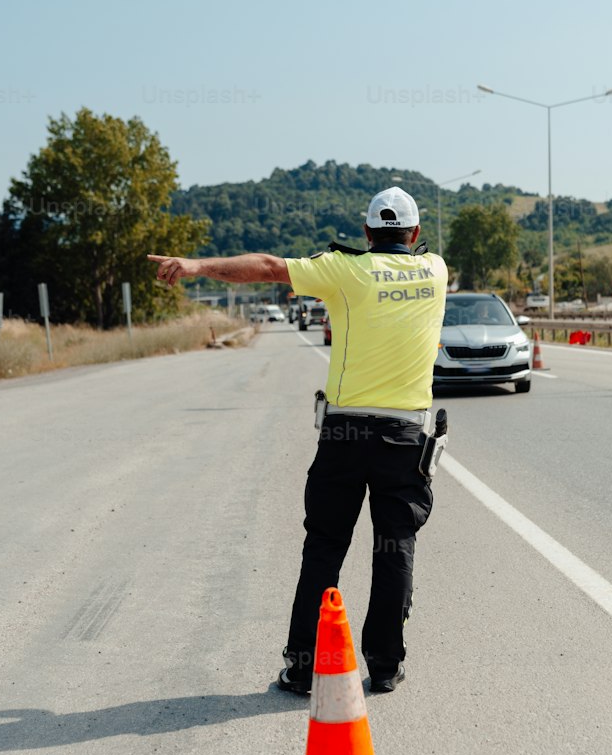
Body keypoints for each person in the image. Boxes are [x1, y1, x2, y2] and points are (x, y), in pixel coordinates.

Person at [148, 185, 448, 696]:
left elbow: (267, 266)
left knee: (325, 547)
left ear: (367, 231)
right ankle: (384, 665)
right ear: (416, 233)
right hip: (405, 436)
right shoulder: (436, 271)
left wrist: (197, 266)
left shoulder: (344, 270)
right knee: (394, 547)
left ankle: (305, 667)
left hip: (346, 434)